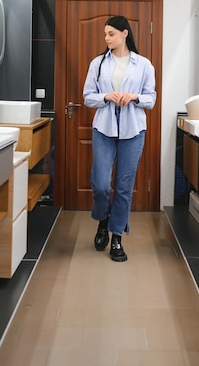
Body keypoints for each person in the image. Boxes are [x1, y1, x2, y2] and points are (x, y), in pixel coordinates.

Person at [82, 15, 157, 262]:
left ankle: (116, 237)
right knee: (102, 184)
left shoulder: (144, 65)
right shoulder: (98, 63)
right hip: (103, 129)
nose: (107, 38)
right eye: (105, 34)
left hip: (133, 131)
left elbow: (151, 99)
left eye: (111, 34)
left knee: (124, 186)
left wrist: (134, 97)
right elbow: (87, 96)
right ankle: (103, 220)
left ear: (125, 33)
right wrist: (106, 97)